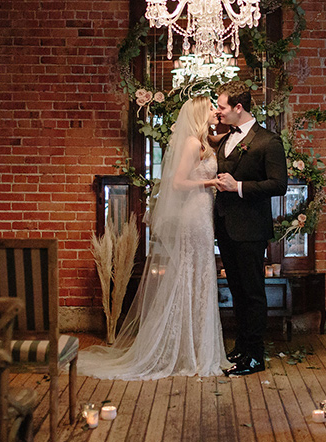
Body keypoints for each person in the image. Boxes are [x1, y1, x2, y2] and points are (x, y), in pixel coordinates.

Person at [78, 96, 229, 380]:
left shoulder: (205, 141)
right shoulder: (192, 144)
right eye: (210, 108)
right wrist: (210, 182)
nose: (215, 112)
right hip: (193, 216)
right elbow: (178, 182)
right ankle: (185, 350)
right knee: (190, 273)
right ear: (199, 113)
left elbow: (221, 137)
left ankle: (197, 347)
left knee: (201, 274)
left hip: (203, 215)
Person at [213, 80, 288, 376]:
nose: (218, 112)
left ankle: (255, 356)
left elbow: (279, 185)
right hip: (226, 227)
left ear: (238, 108)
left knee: (253, 292)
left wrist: (238, 186)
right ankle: (242, 346)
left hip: (251, 229)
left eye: (222, 107)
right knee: (236, 290)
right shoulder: (226, 138)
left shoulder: (268, 141)